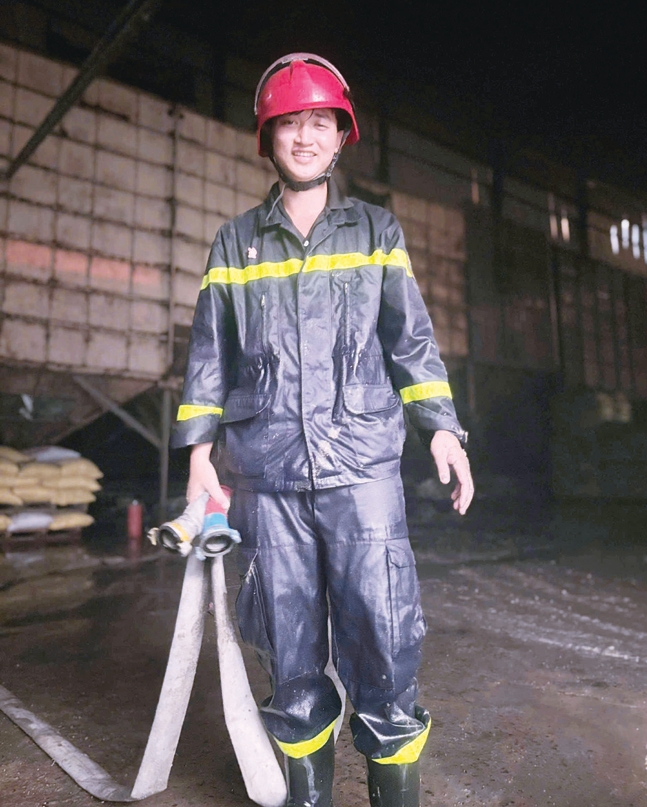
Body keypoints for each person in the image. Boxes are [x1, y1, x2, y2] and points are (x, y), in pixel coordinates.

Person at [171, 53, 474, 807]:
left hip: (362, 469)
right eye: (289, 123)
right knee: (288, 649)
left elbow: (411, 341)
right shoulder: (235, 243)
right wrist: (199, 457)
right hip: (267, 472)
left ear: (341, 136)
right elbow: (209, 355)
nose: (304, 137)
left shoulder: (375, 231)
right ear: (267, 137)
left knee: (384, 639)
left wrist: (441, 427)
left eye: (319, 122)